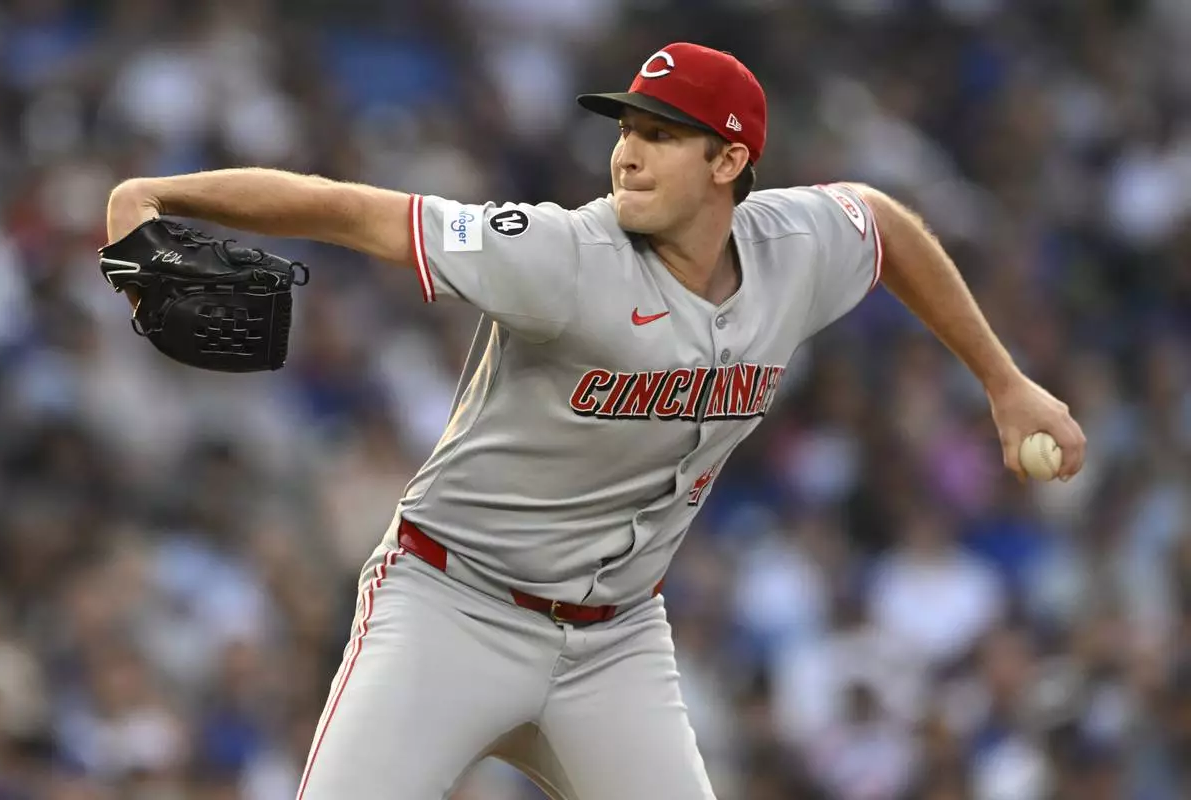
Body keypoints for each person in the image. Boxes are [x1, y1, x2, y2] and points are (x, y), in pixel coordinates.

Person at [102, 42, 1086, 800]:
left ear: (729, 159)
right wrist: (154, 193)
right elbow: (352, 210)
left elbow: (884, 223)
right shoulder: (561, 254)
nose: (627, 152)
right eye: (626, 128)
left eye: (661, 134)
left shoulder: (797, 246)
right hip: (452, 604)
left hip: (616, 641)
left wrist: (1003, 380)